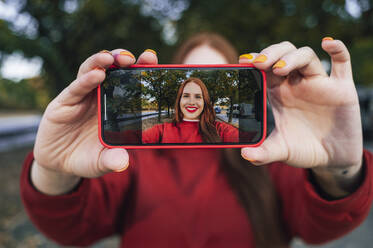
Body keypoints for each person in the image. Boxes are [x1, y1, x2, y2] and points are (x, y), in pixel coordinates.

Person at [20, 32, 373, 248]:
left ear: (207, 99)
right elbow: (71, 229)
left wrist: (340, 170)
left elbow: (319, 227)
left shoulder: (263, 149)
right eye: (185, 89)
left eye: (208, 84)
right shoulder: (142, 149)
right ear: (177, 94)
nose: (192, 100)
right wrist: (53, 172)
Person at [142, 77, 239, 144]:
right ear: (179, 100)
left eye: (198, 97)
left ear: (204, 101)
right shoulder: (161, 131)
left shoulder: (220, 129)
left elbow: (247, 138)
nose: (192, 102)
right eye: (186, 96)